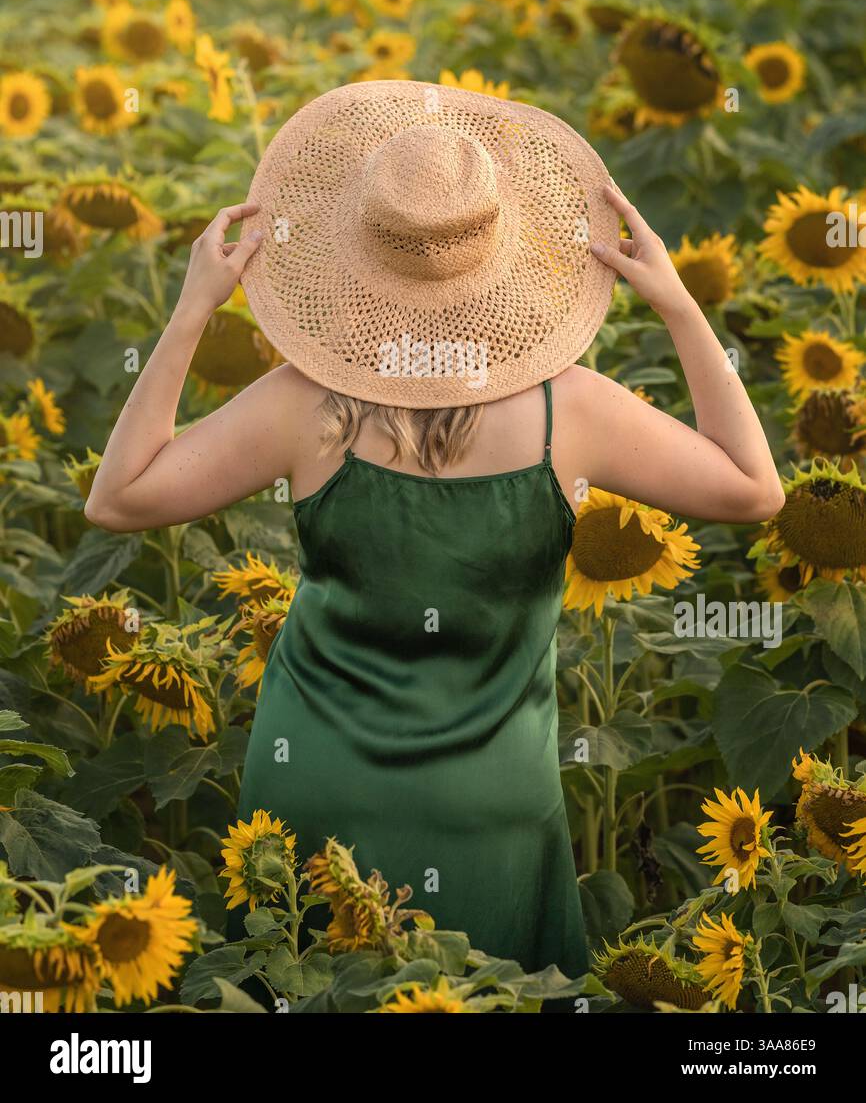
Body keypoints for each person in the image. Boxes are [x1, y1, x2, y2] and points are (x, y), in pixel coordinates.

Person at [85, 80, 784, 992]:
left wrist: (189, 316)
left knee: (300, 985)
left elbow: (118, 499)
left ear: (360, 250)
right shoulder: (567, 412)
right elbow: (755, 489)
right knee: (487, 997)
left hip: (312, 793)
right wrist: (681, 306)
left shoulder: (306, 407)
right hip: (489, 810)